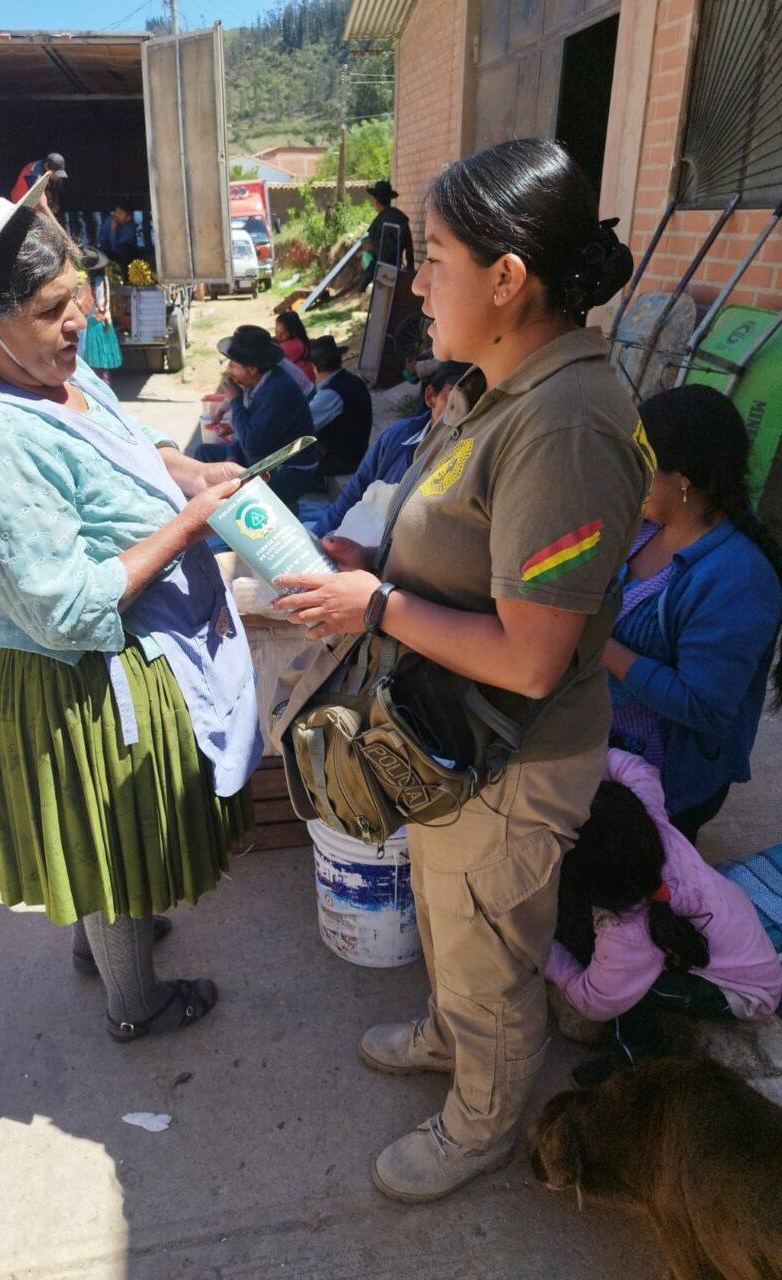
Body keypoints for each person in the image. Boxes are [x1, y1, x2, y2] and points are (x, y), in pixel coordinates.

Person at [274, 138, 650, 1203]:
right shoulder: (501, 385)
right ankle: (450, 1032)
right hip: (455, 734)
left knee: (491, 942)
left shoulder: (566, 421)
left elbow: (532, 658)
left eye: (433, 256)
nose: (416, 279)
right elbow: (477, 553)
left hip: (515, 750)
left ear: (507, 276)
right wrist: (373, 561)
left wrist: (379, 605)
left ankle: (485, 1118)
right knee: (448, 910)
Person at [0, 173, 261, 1042]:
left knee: (112, 842)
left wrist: (190, 471)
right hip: (71, 671)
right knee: (110, 838)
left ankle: (106, 943)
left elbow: (124, 440)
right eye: (55, 308)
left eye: (79, 298)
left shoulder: (49, 368)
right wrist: (191, 523)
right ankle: (136, 1003)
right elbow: (64, 605)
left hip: (115, 649)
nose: (79, 323)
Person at [605, 384, 782, 843]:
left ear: (682, 478)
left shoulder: (738, 576)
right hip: (606, 751)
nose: (630, 475)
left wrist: (600, 645)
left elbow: (701, 704)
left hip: (663, 785)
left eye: (642, 463)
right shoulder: (646, 527)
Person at [549, 749, 782, 1088]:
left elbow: (594, 1000)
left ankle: (639, 1066)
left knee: (627, 998)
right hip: (743, 946)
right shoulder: (653, 821)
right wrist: (584, 760)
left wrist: (545, 953)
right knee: (623, 968)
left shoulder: (627, 934)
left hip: (743, 993)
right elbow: (635, 767)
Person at [308, 360, 475, 539]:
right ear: (430, 397)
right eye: (452, 399)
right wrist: (318, 535)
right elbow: (357, 489)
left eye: (474, 401)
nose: (464, 410)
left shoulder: (472, 456)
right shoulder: (399, 434)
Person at [194, 325, 316, 511]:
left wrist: (235, 400)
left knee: (232, 489)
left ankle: (279, 505)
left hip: (288, 471)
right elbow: (246, 436)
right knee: (204, 453)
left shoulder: (278, 391)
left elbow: (252, 445)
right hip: (263, 458)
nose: (230, 370)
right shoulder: (257, 384)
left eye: (234, 365)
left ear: (251, 368)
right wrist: (232, 455)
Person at [307, 335, 373, 478]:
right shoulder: (351, 380)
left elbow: (304, 425)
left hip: (340, 460)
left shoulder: (332, 393)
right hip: (352, 453)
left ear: (316, 368)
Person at [359, 179, 414, 289]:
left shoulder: (379, 222)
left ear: (376, 201)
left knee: (363, 285)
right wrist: (410, 271)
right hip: (398, 272)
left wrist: (369, 247)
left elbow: (378, 249)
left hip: (383, 273)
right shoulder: (401, 218)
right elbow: (409, 248)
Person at [79, 249, 123, 384]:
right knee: (101, 359)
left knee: (89, 359)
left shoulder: (89, 282)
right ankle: (104, 384)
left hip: (92, 323)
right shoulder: (103, 279)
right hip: (103, 322)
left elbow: (88, 304)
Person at [10, 152, 67, 217]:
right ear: (46, 167)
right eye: (57, 173)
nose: (58, 177)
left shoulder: (51, 167)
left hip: (37, 199)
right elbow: (43, 207)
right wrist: (58, 227)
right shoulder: (34, 175)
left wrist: (54, 204)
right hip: (20, 205)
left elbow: (56, 190)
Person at [275, 311, 316, 384]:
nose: (278, 336)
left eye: (282, 334)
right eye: (276, 331)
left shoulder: (291, 346)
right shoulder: (300, 341)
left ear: (293, 332)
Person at [99, 200, 138, 274]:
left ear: (128, 218)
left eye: (120, 213)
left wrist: (113, 231)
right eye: (116, 212)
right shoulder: (110, 219)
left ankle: (124, 277)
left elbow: (116, 248)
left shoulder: (130, 229)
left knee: (124, 249)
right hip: (110, 251)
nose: (116, 215)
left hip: (123, 255)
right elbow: (102, 237)